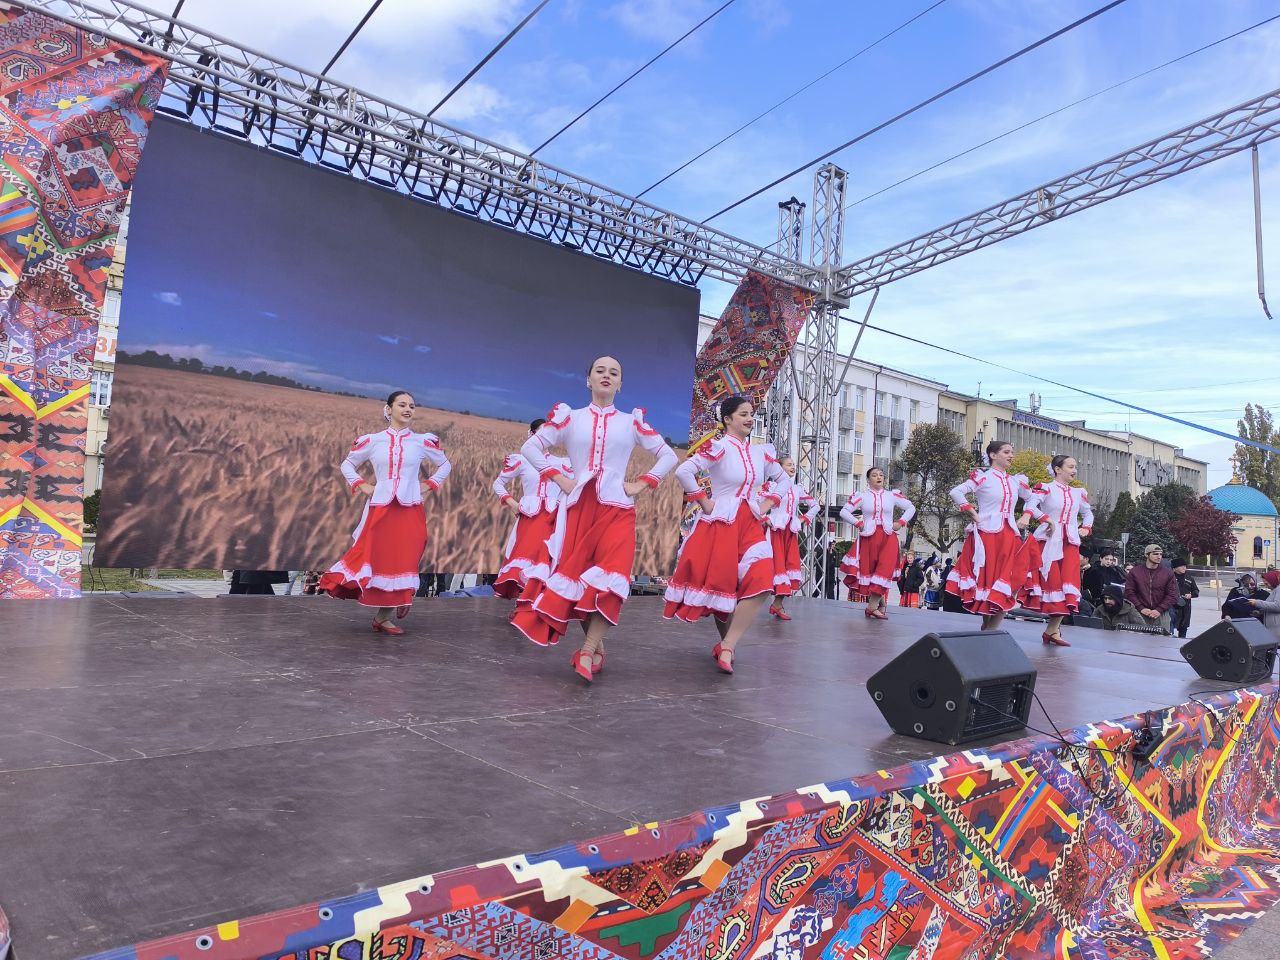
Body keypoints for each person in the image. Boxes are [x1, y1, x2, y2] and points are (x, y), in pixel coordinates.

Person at [511, 356, 677, 681]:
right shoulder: (570, 418)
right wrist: (559, 479)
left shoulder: (631, 422)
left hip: (618, 508)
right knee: (580, 578)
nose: (606, 375)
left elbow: (668, 454)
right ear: (588, 380)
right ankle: (595, 648)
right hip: (578, 509)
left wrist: (641, 484)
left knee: (613, 576)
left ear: (620, 384)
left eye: (614, 372)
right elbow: (530, 447)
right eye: (600, 371)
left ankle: (586, 651)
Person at [664, 397, 784, 673]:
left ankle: (728, 645)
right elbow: (684, 470)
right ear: (727, 419)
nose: (750, 418)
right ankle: (725, 645)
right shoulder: (718, 448)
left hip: (751, 522)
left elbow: (785, 479)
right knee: (724, 589)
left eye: (752, 414)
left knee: (763, 580)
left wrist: (769, 502)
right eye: (743, 414)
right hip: (721, 522)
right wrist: (704, 502)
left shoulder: (760, 452)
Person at [318, 390, 451, 633]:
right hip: (381, 507)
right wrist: (362, 485)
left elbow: (445, 465)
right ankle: (376, 609)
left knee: (406, 556)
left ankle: (393, 605)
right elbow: (347, 464)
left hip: (410, 508)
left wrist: (429, 485)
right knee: (376, 555)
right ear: (388, 409)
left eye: (412, 405)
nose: (408, 409)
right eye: (402, 405)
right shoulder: (372, 440)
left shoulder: (422, 441)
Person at [945, 439, 1037, 631]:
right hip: (987, 535)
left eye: (1011, 452)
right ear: (993, 456)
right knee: (989, 580)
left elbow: (1033, 498)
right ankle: (988, 630)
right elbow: (956, 492)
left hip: (1009, 535)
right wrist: (971, 511)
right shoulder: (983, 477)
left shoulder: (1015, 481)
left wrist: (1027, 515)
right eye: (1006, 452)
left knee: (1009, 579)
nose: (1011, 455)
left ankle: (989, 630)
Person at [491, 419, 573, 599]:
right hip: (529, 519)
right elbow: (498, 484)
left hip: (552, 520)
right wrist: (512, 503)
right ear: (532, 435)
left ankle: (532, 608)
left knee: (545, 562)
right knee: (525, 562)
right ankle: (524, 606)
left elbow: (576, 486)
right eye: (540, 433)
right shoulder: (521, 460)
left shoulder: (562, 463)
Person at [1021, 455, 1093, 647]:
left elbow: (1088, 512)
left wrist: (1086, 527)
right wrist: (1047, 519)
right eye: (1070, 466)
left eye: (1075, 466)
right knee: (1050, 581)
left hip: (1069, 543)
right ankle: (1051, 630)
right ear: (1057, 469)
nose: (1074, 470)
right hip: (1049, 540)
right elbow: (1030, 506)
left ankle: (1052, 630)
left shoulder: (1078, 492)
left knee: (1067, 586)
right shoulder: (1046, 487)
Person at [839, 467, 916, 620]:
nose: (878, 477)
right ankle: (879, 604)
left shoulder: (891, 495)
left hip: (888, 537)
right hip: (869, 537)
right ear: (868, 480)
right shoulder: (862, 496)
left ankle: (871, 607)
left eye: (881, 475)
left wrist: (900, 522)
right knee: (871, 572)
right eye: (874, 475)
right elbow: (844, 512)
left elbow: (911, 507)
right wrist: (858, 523)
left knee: (884, 570)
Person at [760, 454, 816, 620]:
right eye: (788, 464)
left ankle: (777, 604)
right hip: (775, 529)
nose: (793, 467)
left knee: (788, 566)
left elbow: (815, 505)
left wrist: (802, 519)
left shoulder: (797, 488)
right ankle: (748, 600)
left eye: (793, 465)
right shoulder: (770, 485)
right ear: (779, 468)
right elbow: (754, 503)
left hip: (789, 531)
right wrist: (765, 519)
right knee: (772, 565)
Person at [1123, 544, 1178, 632]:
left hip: (1161, 614)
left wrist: (1159, 609)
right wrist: (1141, 608)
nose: (1159, 557)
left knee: (1162, 642)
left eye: (1160, 554)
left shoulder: (1168, 573)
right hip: (1139, 613)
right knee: (1138, 640)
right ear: (1146, 555)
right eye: (1155, 554)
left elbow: (1172, 595)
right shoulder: (1135, 572)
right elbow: (1129, 592)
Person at [1169, 558, 1199, 638]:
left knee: (1183, 628)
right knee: (1170, 627)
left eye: (1185, 566)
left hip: (1185, 608)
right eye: (1181, 566)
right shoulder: (1169, 577)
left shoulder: (1189, 578)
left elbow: (1196, 591)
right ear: (1175, 568)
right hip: (1172, 607)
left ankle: (1181, 643)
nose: (1184, 568)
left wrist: (1191, 595)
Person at [1248, 571, 1280, 640]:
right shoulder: (1275, 590)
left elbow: (1277, 606)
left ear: (1273, 580)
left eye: (1266, 583)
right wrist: (1260, 612)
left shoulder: (1279, 589)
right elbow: (1271, 607)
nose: (1266, 586)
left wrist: (1257, 602)